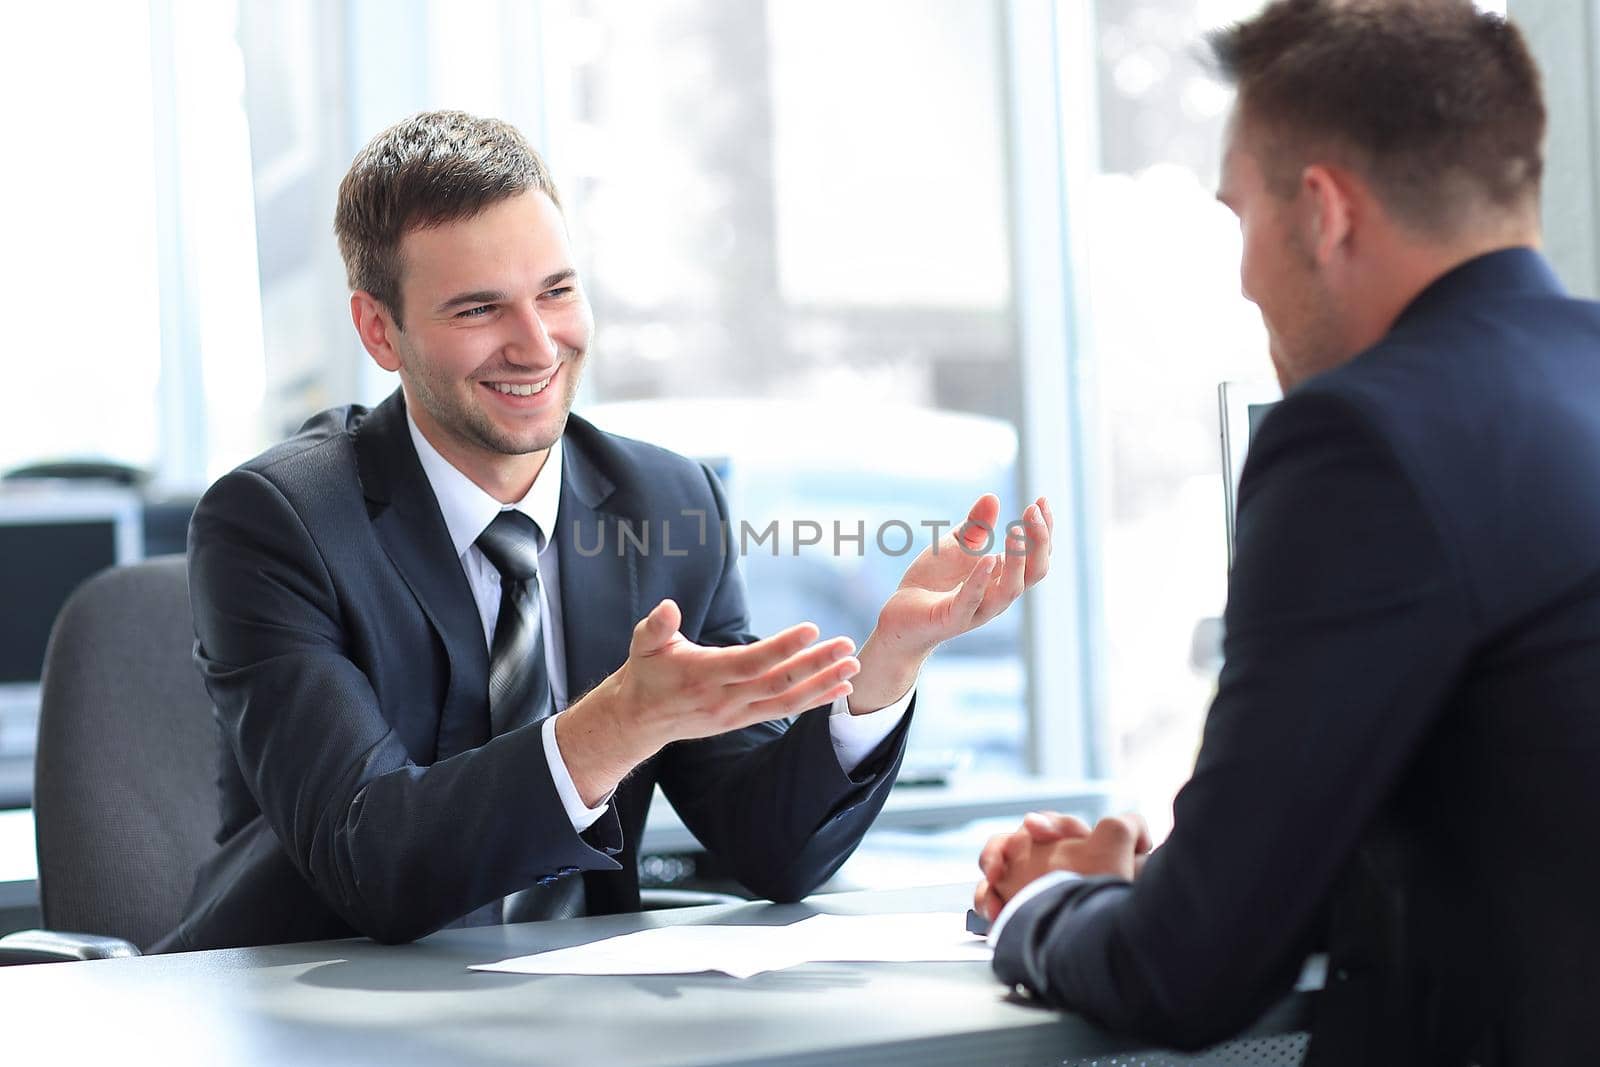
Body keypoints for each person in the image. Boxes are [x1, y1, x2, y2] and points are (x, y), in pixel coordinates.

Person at [157, 110, 1051, 952]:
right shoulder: (279, 523)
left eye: (556, 293)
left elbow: (768, 850)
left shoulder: (667, 503)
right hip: (312, 1017)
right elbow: (371, 858)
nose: (538, 345)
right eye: (479, 309)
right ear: (379, 330)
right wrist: (615, 724)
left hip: (579, 1019)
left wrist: (885, 669)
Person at [974, 2, 1600, 1062]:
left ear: (1324, 213)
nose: (1242, 274)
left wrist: (1045, 905)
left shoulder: (1362, 439)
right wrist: (1162, 878)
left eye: (1238, 217)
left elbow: (1185, 971)